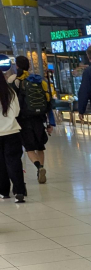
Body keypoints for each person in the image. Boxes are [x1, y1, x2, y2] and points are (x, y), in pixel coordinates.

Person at [9, 54, 55, 184]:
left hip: (24, 119)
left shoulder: (16, 81)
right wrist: (49, 122)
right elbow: (48, 101)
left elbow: (13, 102)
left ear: (17, 66)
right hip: (39, 118)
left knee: (29, 148)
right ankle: (41, 168)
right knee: (40, 146)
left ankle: (38, 167)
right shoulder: (38, 80)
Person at [0, 70, 27, 203]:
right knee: (14, 162)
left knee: (1, 164)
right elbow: (16, 112)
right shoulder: (10, 92)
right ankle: (19, 191)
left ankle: (4, 191)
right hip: (12, 132)